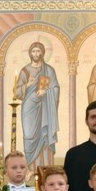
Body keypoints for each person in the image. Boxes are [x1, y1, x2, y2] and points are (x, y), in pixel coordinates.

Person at [15, 41, 60, 181]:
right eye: (33, 51)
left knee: (44, 135)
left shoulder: (49, 70)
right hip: (29, 107)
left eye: (38, 51)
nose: (36, 54)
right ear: (30, 53)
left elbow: (55, 88)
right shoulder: (25, 71)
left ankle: (46, 170)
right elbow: (17, 92)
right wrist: (27, 85)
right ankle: (30, 168)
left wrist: (46, 92)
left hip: (45, 107)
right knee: (29, 135)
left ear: (42, 53)